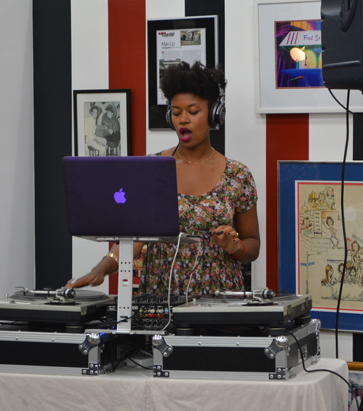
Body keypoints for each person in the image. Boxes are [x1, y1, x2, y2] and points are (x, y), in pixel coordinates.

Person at [67, 62, 260, 296]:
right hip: (161, 296)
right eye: (176, 113)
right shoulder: (150, 169)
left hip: (219, 297)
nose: (183, 120)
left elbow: (253, 244)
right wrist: (101, 269)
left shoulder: (238, 175)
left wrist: (236, 247)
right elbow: (134, 239)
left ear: (213, 114)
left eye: (193, 112)